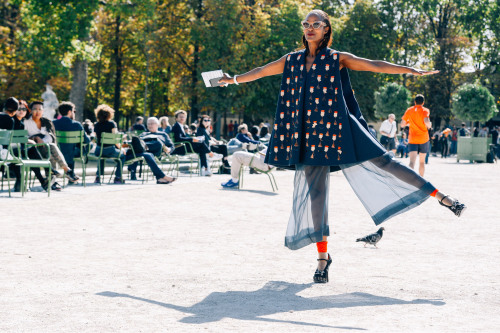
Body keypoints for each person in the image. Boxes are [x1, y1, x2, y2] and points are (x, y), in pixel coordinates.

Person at [218, 9, 465, 284]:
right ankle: (323, 258)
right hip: (308, 134)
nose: (310, 28)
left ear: (326, 28)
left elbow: (374, 64)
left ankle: (442, 197)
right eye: (306, 24)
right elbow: (262, 71)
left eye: (316, 24)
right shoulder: (293, 60)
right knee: (316, 194)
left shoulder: (337, 58)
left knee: (384, 162)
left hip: (339, 127)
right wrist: (234, 79)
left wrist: (409, 70)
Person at [24, 101, 77, 188]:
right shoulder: (26, 122)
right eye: (35, 109)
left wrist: (42, 141)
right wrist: (35, 138)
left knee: (51, 149)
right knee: (51, 150)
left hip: (45, 147)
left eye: (40, 109)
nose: (37, 111)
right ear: (30, 110)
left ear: (43, 111)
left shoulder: (46, 121)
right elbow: (23, 137)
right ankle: (67, 171)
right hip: (32, 149)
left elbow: (50, 137)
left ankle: (52, 181)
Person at [126, 117, 177, 184]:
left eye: (152, 124)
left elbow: (172, 146)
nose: (150, 125)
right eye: (148, 124)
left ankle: (160, 177)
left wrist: (169, 149)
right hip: (144, 153)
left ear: (157, 124)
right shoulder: (144, 134)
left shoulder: (163, 134)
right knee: (137, 147)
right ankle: (160, 178)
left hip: (156, 153)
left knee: (158, 143)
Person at [53, 101, 91, 184]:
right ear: (69, 112)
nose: (74, 113)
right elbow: (87, 141)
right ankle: (71, 177)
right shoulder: (76, 124)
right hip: (72, 152)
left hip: (57, 152)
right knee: (75, 148)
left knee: (68, 148)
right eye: (74, 111)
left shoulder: (53, 123)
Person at [171, 110, 213, 176]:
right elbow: (179, 139)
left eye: (183, 117)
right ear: (176, 118)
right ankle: (210, 153)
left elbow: (183, 138)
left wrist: (194, 139)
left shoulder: (180, 125)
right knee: (201, 142)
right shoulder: (176, 126)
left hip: (184, 146)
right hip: (180, 147)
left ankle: (204, 169)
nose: (182, 118)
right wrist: (192, 139)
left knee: (202, 150)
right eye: (180, 117)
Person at [93, 104, 126, 184]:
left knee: (101, 156)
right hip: (110, 150)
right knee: (122, 156)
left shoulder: (96, 125)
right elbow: (114, 139)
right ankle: (118, 177)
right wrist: (121, 149)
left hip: (98, 150)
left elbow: (95, 139)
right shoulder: (112, 124)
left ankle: (98, 177)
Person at [401, 95, 432, 177]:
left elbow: (402, 124)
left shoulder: (409, 110)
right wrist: (429, 126)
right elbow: (426, 120)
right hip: (423, 139)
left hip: (412, 139)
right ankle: (421, 181)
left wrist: (408, 123)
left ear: (414, 102)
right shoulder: (425, 110)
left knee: (412, 162)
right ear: (423, 102)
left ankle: (410, 181)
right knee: (422, 162)